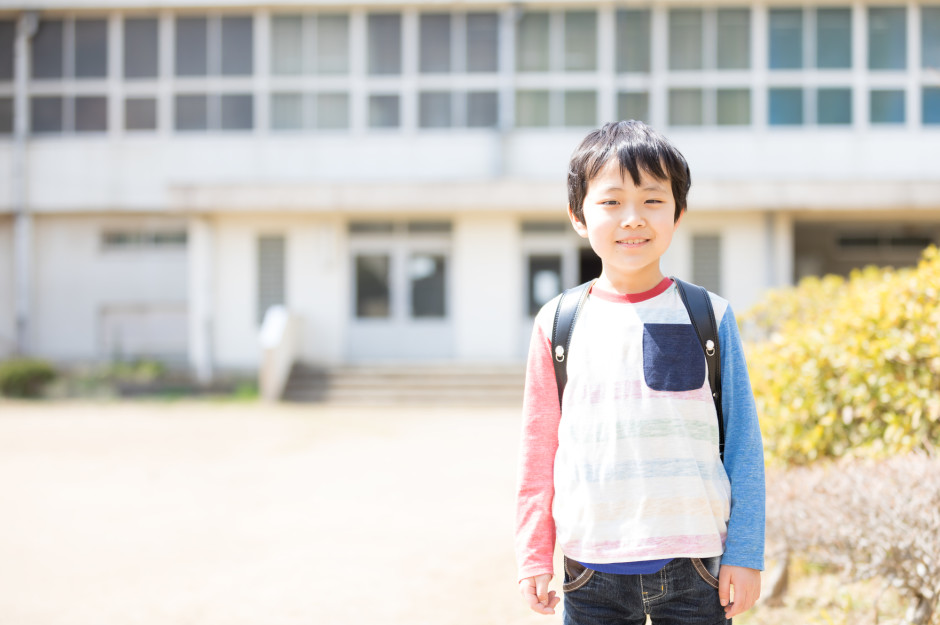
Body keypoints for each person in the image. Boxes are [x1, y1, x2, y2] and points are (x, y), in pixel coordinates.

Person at [515, 120, 765, 624]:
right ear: (578, 216)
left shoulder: (708, 314)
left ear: (678, 212)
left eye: (653, 200)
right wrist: (534, 554)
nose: (633, 218)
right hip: (590, 564)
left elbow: (743, 445)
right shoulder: (558, 322)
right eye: (610, 202)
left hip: (696, 563)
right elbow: (538, 451)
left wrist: (745, 553)